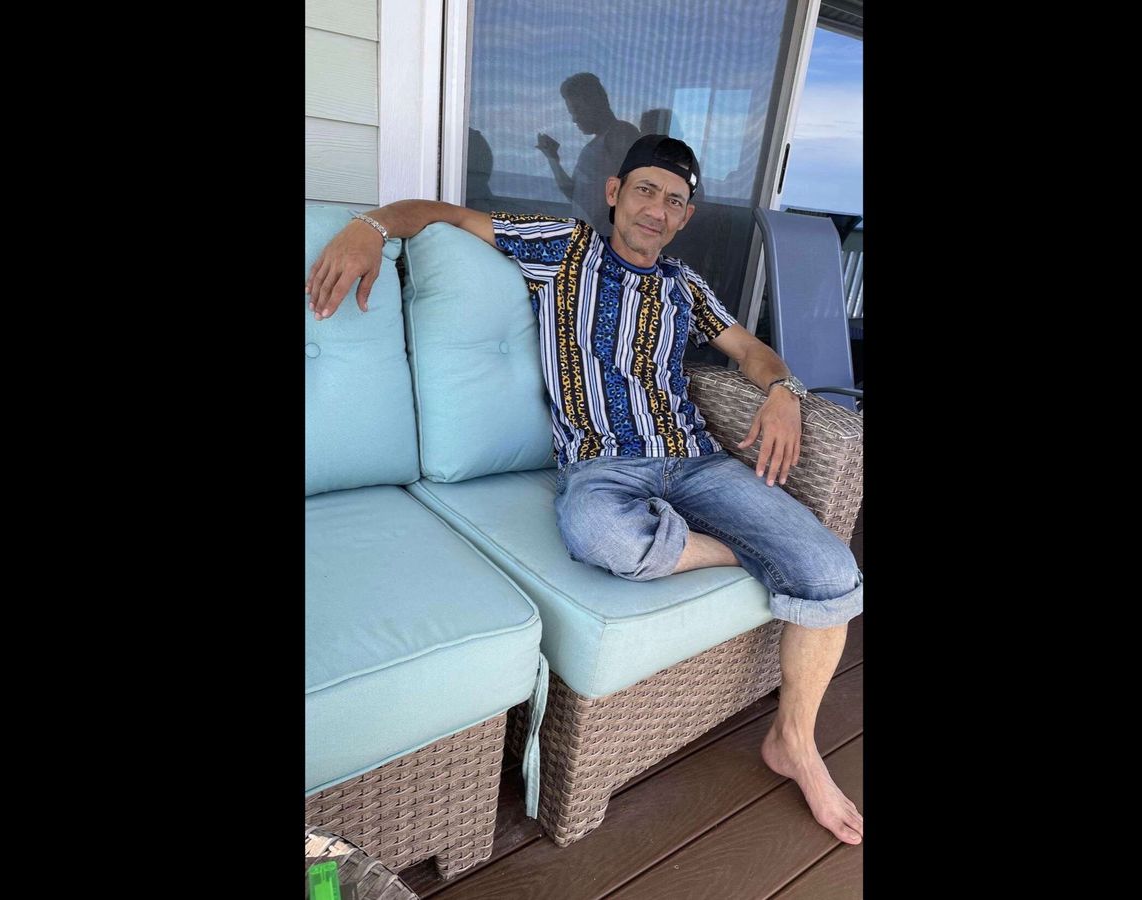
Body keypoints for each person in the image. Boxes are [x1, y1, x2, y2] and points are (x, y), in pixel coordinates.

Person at [305, 135, 864, 846]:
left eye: (674, 201)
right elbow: (437, 213)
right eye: (645, 190)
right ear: (614, 192)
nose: (656, 210)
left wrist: (784, 390)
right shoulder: (562, 247)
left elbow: (749, 350)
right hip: (604, 469)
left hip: (698, 461)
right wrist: (372, 225)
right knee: (599, 534)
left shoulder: (684, 285)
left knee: (831, 569)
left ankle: (794, 743)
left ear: (685, 217)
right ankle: (745, 551)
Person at [535, 73, 639, 232]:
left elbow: (631, 192)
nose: (574, 119)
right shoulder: (594, 145)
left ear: (597, 101)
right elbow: (573, 193)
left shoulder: (620, 133)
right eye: (571, 112)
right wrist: (552, 158)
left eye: (577, 109)